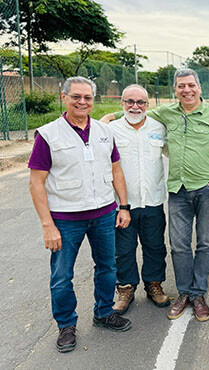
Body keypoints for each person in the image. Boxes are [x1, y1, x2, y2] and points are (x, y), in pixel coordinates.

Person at [103, 69, 209, 322]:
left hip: (208, 191)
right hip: (177, 191)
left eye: (190, 85)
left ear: (199, 88)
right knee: (178, 246)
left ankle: (199, 295)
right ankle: (184, 293)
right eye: (180, 86)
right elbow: (135, 114)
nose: (186, 90)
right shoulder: (165, 114)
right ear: (174, 90)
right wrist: (108, 116)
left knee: (206, 244)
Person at [28, 77, 132, 353]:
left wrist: (123, 206)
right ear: (64, 97)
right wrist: (47, 225)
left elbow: (116, 170)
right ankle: (66, 325)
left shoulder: (103, 131)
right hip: (65, 219)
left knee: (107, 267)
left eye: (87, 97)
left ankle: (103, 312)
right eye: (76, 96)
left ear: (93, 100)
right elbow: (36, 182)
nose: (82, 102)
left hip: (104, 215)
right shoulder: (48, 134)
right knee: (62, 276)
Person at [109, 84, 169, 314]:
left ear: (148, 104)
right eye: (130, 102)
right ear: (122, 103)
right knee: (123, 249)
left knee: (154, 246)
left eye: (141, 102)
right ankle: (125, 289)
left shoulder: (159, 128)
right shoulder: (111, 130)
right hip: (122, 205)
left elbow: (172, 153)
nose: (135, 106)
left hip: (152, 201)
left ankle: (154, 285)